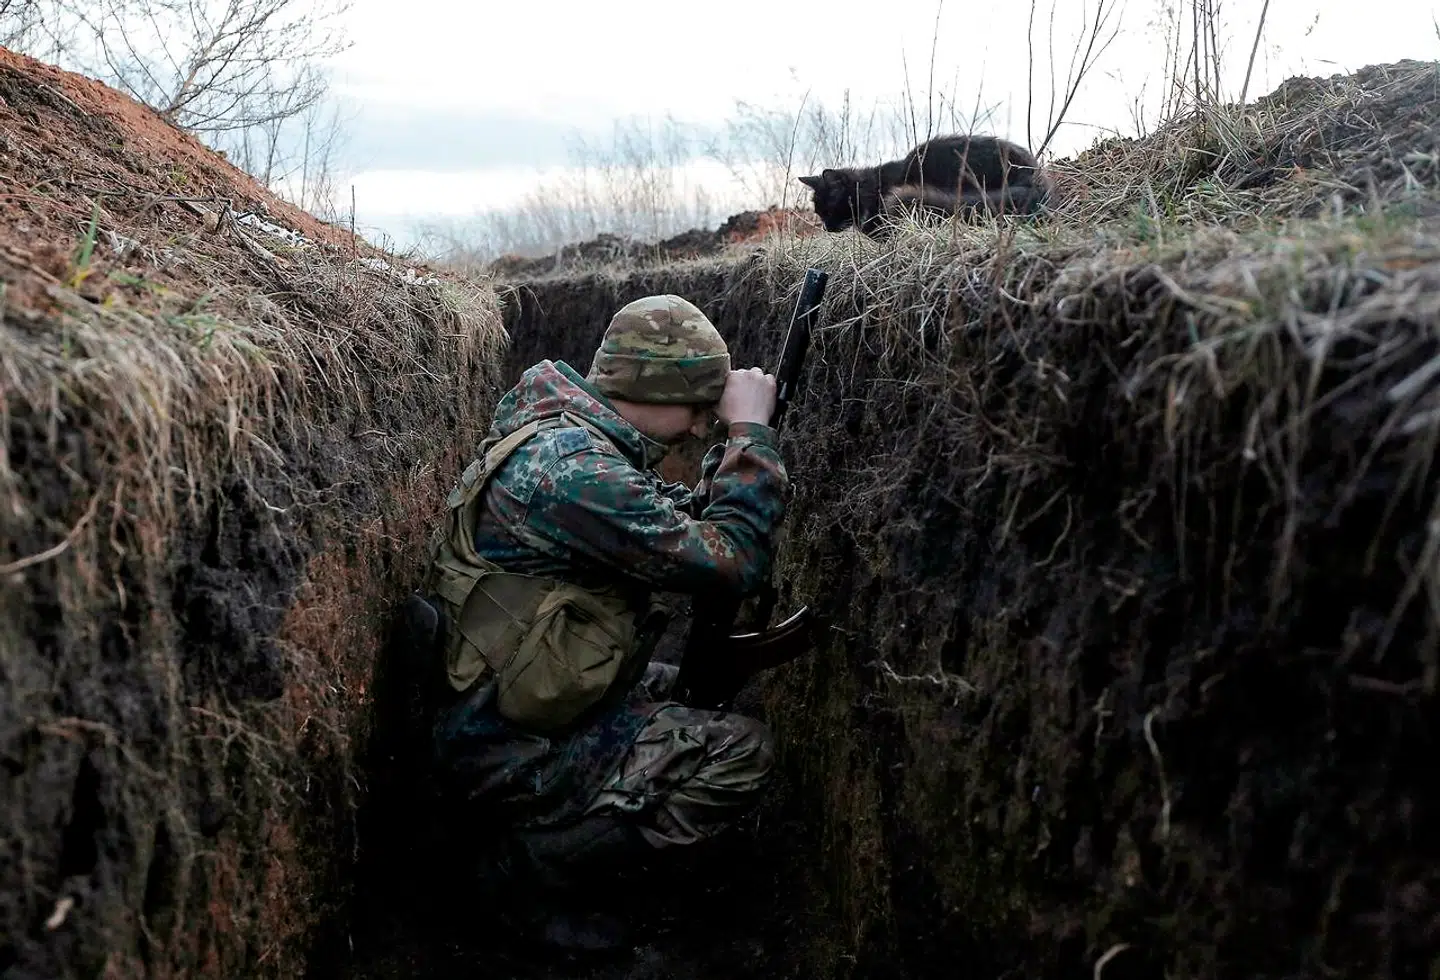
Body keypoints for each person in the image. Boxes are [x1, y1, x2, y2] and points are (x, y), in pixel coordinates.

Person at [415, 293, 790, 952]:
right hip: (505, 746)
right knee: (738, 752)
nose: (704, 424)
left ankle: (547, 838)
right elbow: (735, 561)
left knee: (672, 686)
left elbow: (666, 519)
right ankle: (529, 866)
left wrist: (731, 451)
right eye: (699, 408)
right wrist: (749, 436)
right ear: (657, 390)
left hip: (502, 694)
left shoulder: (563, 435)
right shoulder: (576, 472)